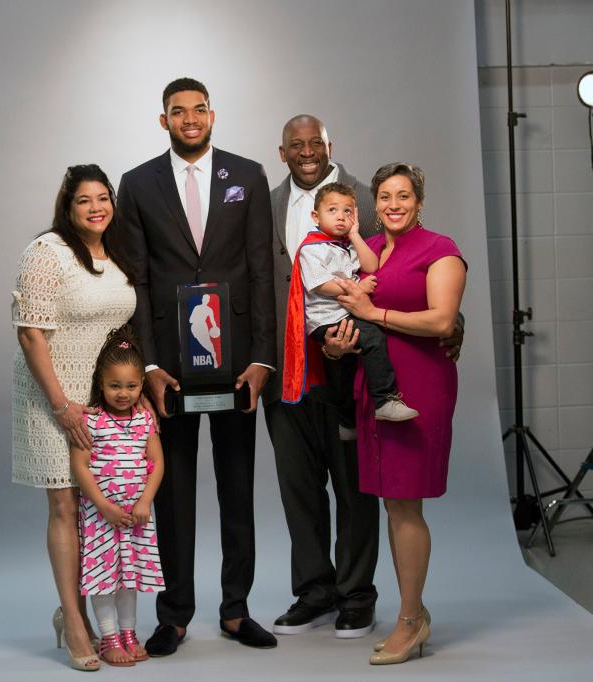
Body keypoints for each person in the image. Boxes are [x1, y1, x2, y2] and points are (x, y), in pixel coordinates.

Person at [118, 77, 278, 655]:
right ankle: (175, 614)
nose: (190, 119)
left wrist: (263, 357)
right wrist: (149, 363)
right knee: (173, 491)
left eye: (199, 110)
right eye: (178, 112)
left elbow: (261, 269)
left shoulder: (250, 175)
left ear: (214, 114)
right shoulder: (137, 184)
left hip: (236, 362)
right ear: (163, 120)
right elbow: (136, 276)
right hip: (170, 367)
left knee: (238, 488)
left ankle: (235, 611)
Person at [334, 162, 467, 665]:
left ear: (420, 201)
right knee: (394, 503)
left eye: (403, 196)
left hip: (421, 389)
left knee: (406, 503)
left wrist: (374, 316)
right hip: (379, 389)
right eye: (385, 196)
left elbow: (442, 320)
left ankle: (410, 622)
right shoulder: (372, 250)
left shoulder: (441, 249)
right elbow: (356, 314)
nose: (393, 204)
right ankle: (412, 612)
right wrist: (344, 341)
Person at [11, 164, 137, 672]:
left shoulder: (117, 252)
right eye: (84, 200)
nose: (96, 208)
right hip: (51, 398)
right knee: (65, 505)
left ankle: (87, 614)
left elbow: (123, 327)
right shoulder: (47, 252)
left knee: (96, 510)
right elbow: (29, 334)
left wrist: (132, 389)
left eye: (103, 198)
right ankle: (75, 622)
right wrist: (62, 405)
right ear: (67, 208)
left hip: (104, 401)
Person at [264, 115, 382, 640]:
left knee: (355, 486)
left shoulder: (364, 198)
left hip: (346, 361)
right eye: (297, 145)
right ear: (282, 152)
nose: (307, 151)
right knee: (299, 487)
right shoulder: (262, 205)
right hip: (285, 369)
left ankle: (356, 595)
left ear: (329, 145)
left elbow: (396, 272)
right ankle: (314, 592)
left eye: (316, 144)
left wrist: (349, 336)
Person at [282, 182, 417, 424]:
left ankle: (346, 422)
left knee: (347, 367)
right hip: (327, 320)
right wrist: (358, 288)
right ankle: (385, 400)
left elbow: (370, 266)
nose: (341, 217)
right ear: (316, 216)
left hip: (342, 316)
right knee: (373, 338)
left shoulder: (345, 245)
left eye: (347, 211)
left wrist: (354, 234)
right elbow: (320, 284)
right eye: (332, 210)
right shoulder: (311, 248)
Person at [70, 326, 165, 668]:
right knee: (103, 577)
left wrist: (144, 503)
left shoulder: (144, 419)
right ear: (100, 384)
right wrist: (103, 506)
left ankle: (129, 633)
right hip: (102, 516)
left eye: (131, 386)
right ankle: (108, 636)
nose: (123, 393)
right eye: (114, 386)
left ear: (141, 385)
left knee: (130, 577)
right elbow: (80, 466)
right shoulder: (91, 420)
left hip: (136, 516)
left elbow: (156, 464)